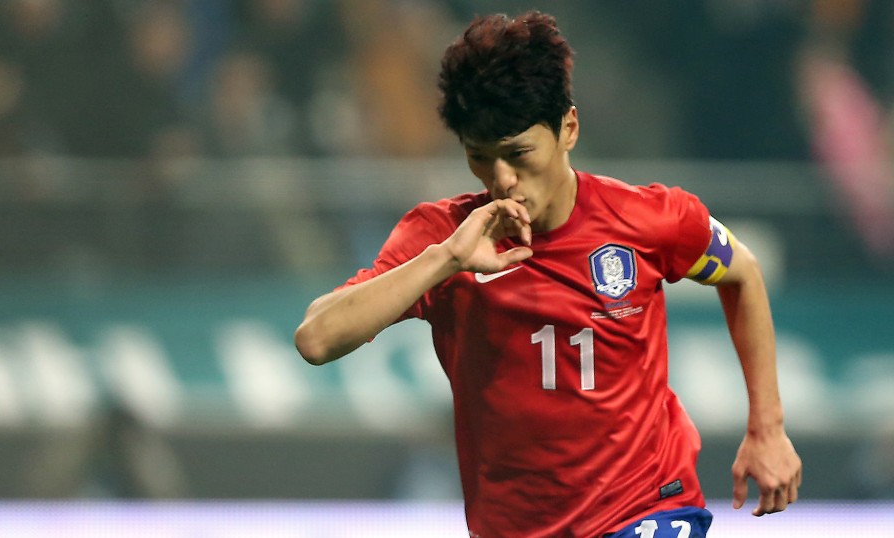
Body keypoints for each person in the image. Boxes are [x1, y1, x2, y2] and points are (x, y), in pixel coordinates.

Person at [294, 11, 802, 538]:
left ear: (569, 129)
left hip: (647, 510)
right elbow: (315, 338)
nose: (502, 180)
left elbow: (741, 272)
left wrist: (767, 428)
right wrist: (445, 260)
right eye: (480, 158)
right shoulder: (442, 238)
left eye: (518, 154)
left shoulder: (650, 219)